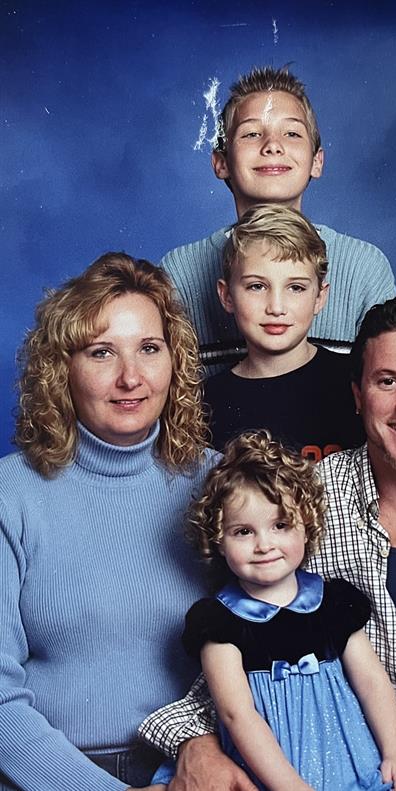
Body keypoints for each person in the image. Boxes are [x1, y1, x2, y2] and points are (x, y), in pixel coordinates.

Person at [139, 295, 396, 790]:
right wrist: (194, 743)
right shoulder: (296, 507)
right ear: (357, 395)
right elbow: (234, 671)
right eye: (387, 381)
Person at [0, 253, 224, 791]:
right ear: (61, 368)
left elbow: (268, 646)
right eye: (102, 352)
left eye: (149, 348)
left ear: (175, 361)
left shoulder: (221, 483)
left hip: (196, 768)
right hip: (47, 773)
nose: (131, 377)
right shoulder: (11, 494)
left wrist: (204, 744)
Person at [150, 431, 396, 791]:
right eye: (243, 531)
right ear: (218, 540)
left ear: (307, 527)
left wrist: (395, 755)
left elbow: (372, 681)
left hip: (351, 761)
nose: (264, 545)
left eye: (280, 525)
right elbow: (236, 714)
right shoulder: (219, 622)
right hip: (270, 770)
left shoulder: (333, 603)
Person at [161, 65, 396, 373]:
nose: (272, 145)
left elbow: (388, 380)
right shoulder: (180, 271)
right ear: (221, 162)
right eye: (252, 134)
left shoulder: (364, 266)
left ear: (317, 161)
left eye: (292, 133)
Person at [204, 202, 364, 458]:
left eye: (296, 288)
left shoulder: (355, 382)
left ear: (320, 297)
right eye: (257, 286)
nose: (276, 308)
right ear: (226, 296)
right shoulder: (206, 403)